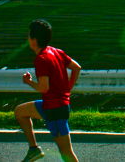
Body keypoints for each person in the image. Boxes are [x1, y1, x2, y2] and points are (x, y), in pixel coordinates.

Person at [15, 19, 82, 162]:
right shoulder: (56, 51)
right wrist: (68, 89)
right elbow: (77, 68)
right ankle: (33, 149)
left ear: (34, 40)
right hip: (53, 106)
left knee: (66, 153)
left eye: (29, 36)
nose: (28, 39)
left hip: (54, 111)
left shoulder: (41, 59)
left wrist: (28, 82)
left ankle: (34, 150)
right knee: (20, 111)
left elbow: (44, 88)